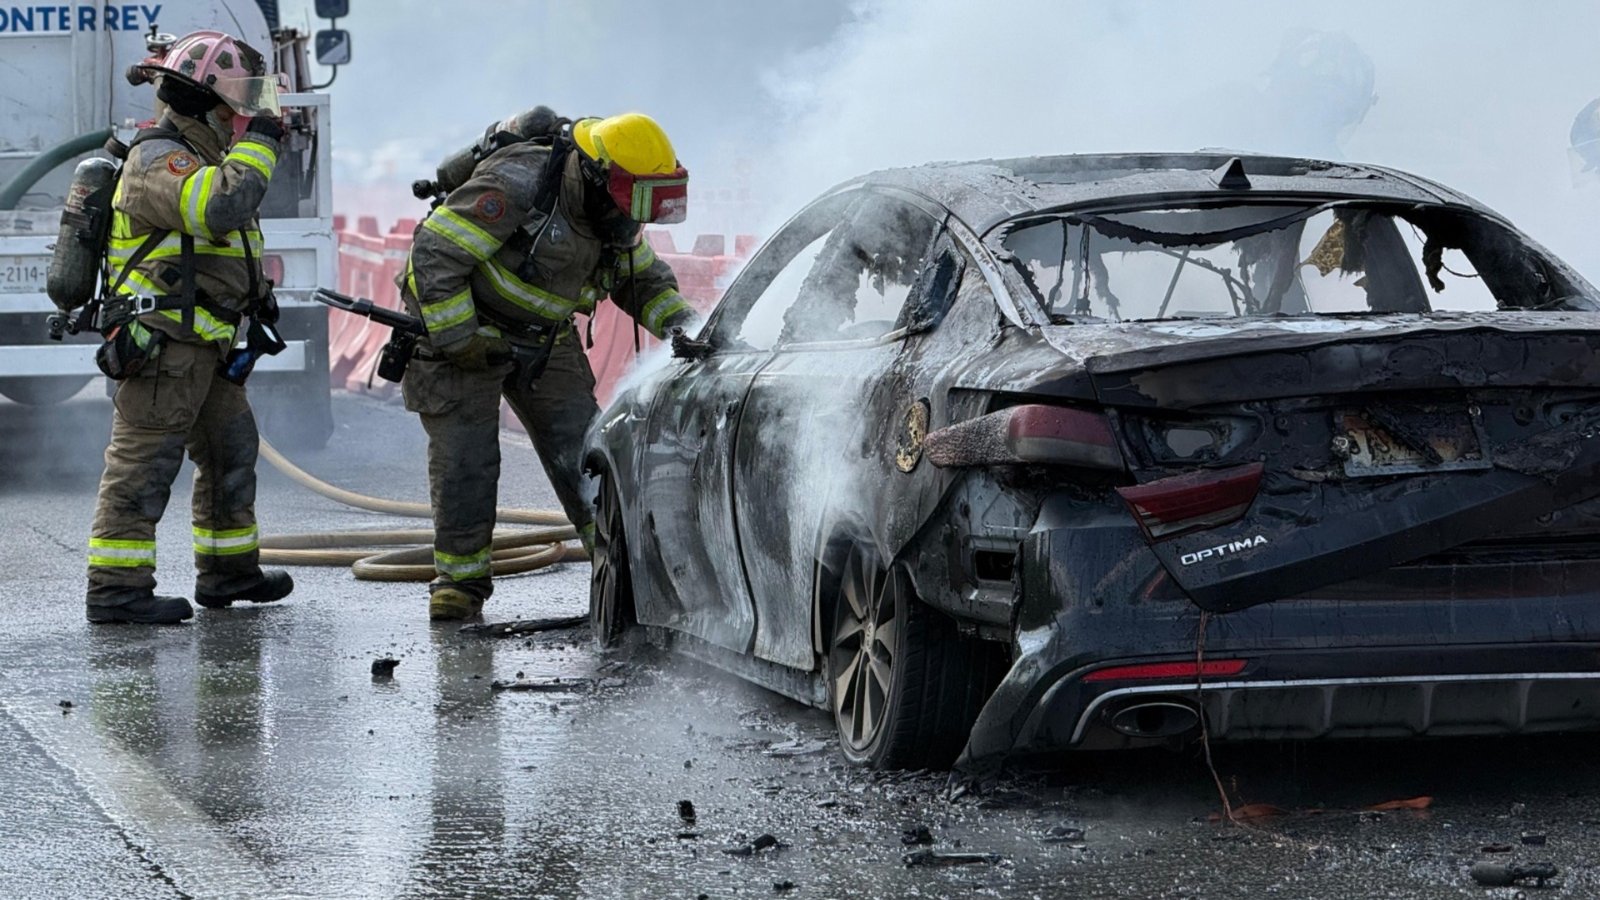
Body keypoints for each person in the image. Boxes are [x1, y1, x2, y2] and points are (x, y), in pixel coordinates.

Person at [401, 111, 697, 620]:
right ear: (597, 177)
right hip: (465, 330)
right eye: (632, 199)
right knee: (466, 460)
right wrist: (460, 340)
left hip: (544, 338)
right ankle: (460, 585)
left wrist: (689, 330)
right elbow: (434, 256)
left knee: (586, 450)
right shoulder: (517, 183)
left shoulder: (615, 214)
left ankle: (622, 569)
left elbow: (645, 284)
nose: (635, 216)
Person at [80, 30, 294, 624]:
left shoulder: (204, 158)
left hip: (206, 345)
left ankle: (228, 574)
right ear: (210, 101)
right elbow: (219, 208)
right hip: (165, 348)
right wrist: (263, 141)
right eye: (238, 104)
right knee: (143, 464)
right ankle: (116, 590)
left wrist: (257, 298)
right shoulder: (159, 159)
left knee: (231, 452)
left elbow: (223, 245)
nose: (241, 117)